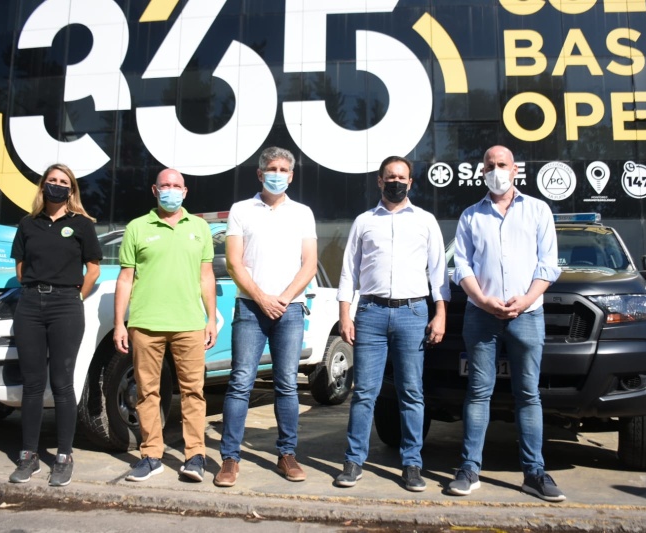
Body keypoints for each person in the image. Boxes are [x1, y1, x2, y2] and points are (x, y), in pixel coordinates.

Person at [447, 145, 565, 502]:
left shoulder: (538, 210)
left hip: (527, 315)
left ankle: (534, 473)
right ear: (482, 171)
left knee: (527, 394)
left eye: (502, 164)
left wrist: (526, 300)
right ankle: (469, 469)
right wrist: (483, 300)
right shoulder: (470, 216)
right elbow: (461, 265)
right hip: (481, 315)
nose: (495, 170)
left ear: (515, 169)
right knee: (478, 392)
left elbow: (548, 264)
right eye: (489, 165)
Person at [334, 155, 449, 492]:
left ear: (410, 182)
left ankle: (411, 464)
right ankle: (353, 461)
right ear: (380, 181)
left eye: (402, 177)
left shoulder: (425, 221)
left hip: (413, 314)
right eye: (390, 177)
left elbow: (438, 273)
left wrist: (440, 312)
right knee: (364, 393)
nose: (396, 182)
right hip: (370, 313)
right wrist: (345, 314)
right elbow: (348, 271)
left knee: (411, 392)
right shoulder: (364, 221)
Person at [214, 147, 317, 487]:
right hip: (250, 308)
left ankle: (287, 454)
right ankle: (230, 458)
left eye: (284, 169)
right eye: (272, 168)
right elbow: (234, 262)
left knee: (287, 384)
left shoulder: (303, 213)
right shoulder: (241, 210)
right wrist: (262, 298)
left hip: (290, 309)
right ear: (260, 174)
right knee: (240, 382)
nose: (277, 174)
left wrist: (283, 299)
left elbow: (309, 264)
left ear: (292, 175)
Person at [113, 168, 217, 483]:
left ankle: (195, 456)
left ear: (185, 191)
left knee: (193, 392)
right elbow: (125, 278)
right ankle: (151, 456)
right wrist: (119, 323)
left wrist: (211, 319)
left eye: (176, 185)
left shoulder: (199, 227)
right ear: (154, 190)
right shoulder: (137, 227)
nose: (170, 190)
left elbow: (206, 276)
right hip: (146, 323)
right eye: (165, 185)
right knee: (147, 393)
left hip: (189, 323)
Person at [9, 163, 102, 486]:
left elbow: (93, 269)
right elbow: (21, 269)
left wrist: (76, 297)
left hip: (66, 306)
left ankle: (64, 456)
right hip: (30, 305)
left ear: (71, 189)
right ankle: (28, 455)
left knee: (62, 383)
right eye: (52, 180)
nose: (57, 185)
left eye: (63, 181)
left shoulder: (81, 224)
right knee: (32, 384)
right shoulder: (27, 224)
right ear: (43, 185)